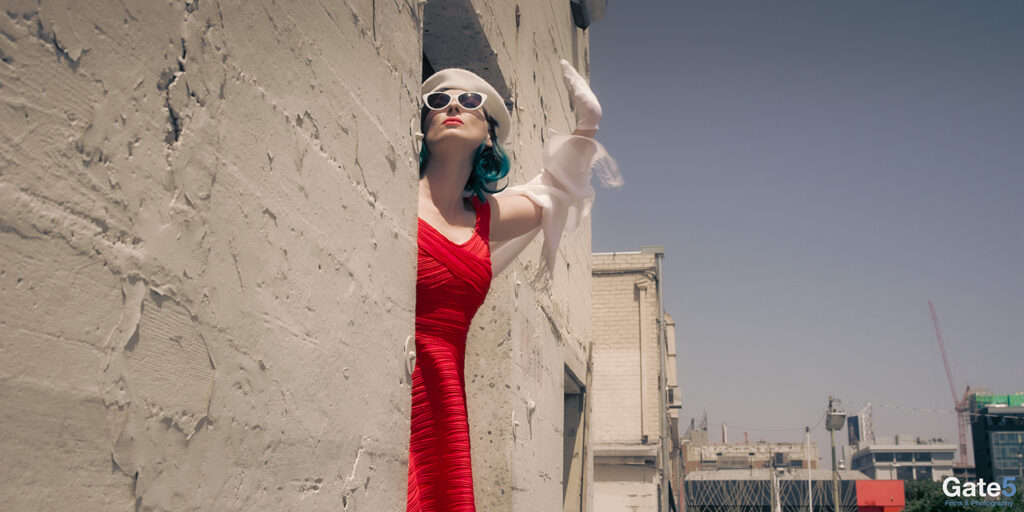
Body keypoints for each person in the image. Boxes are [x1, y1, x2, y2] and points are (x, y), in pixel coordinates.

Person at [409, 59, 619, 512]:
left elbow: (554, 192)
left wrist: (589, 124)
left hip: (445, 396)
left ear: (489, 134)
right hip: (395, 386)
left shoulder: (485, 219)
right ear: (423, 123)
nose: (452, 106)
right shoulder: (395, 193)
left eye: (469, 101)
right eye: (437, 101)